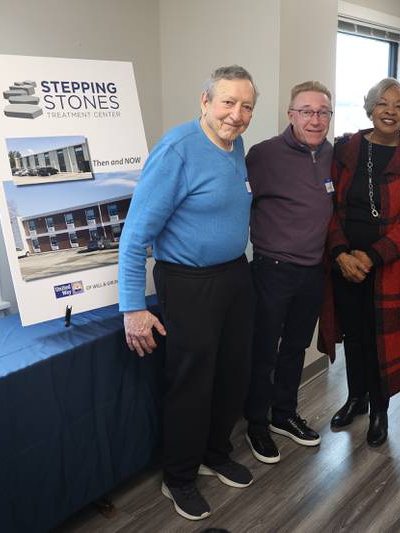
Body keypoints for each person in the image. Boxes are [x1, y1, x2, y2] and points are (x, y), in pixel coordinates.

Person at [118, 66, 258, 521]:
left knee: (232, 374)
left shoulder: (236, 147)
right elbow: (135, 235)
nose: (236, 115)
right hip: (189, 282)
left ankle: (215, 454)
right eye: (227, 103)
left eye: (246, 106)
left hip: (235, 276)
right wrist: (132, 306)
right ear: (204, 101)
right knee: (191, 384)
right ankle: (178, 477)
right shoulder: (177, 150)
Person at [318, 78, 400, 447]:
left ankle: (380, 408)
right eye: (383, 103)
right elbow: (329, 206)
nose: (391, 111)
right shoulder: (345, 149)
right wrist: (340, 253)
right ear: (370, 108)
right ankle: (356, 398)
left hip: (389, 267)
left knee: (380, 337)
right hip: (344, 263)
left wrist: (370, 255)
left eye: (399, 106)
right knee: (353, 333)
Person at [243, 81, 334, 464]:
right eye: (306, 112)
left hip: (313, 270)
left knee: (296, 348)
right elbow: (239, 204)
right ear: (291, 115)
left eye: (322, 112)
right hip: (272, 269)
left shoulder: (335, 154)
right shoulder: (263, 155)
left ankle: (283, 414)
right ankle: (257, 424)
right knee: (263, 350)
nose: (315, 120)